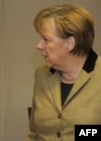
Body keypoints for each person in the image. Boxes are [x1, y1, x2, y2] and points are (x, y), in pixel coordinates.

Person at [27, 4, 101, 141]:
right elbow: (34, 133)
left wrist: (80, 133)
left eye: (46, 40)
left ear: (70, 43)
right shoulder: (42, 74)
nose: (39, 45)